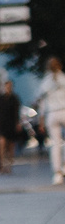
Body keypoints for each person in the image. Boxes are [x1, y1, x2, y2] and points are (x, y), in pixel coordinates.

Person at [41, 57, 65, 186]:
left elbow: (42, 100)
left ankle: (57, 173)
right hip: (64, 110)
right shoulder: (63, 78)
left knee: (55, 144)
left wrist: (41, 117)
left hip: (52, 113)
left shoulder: (46, 81)